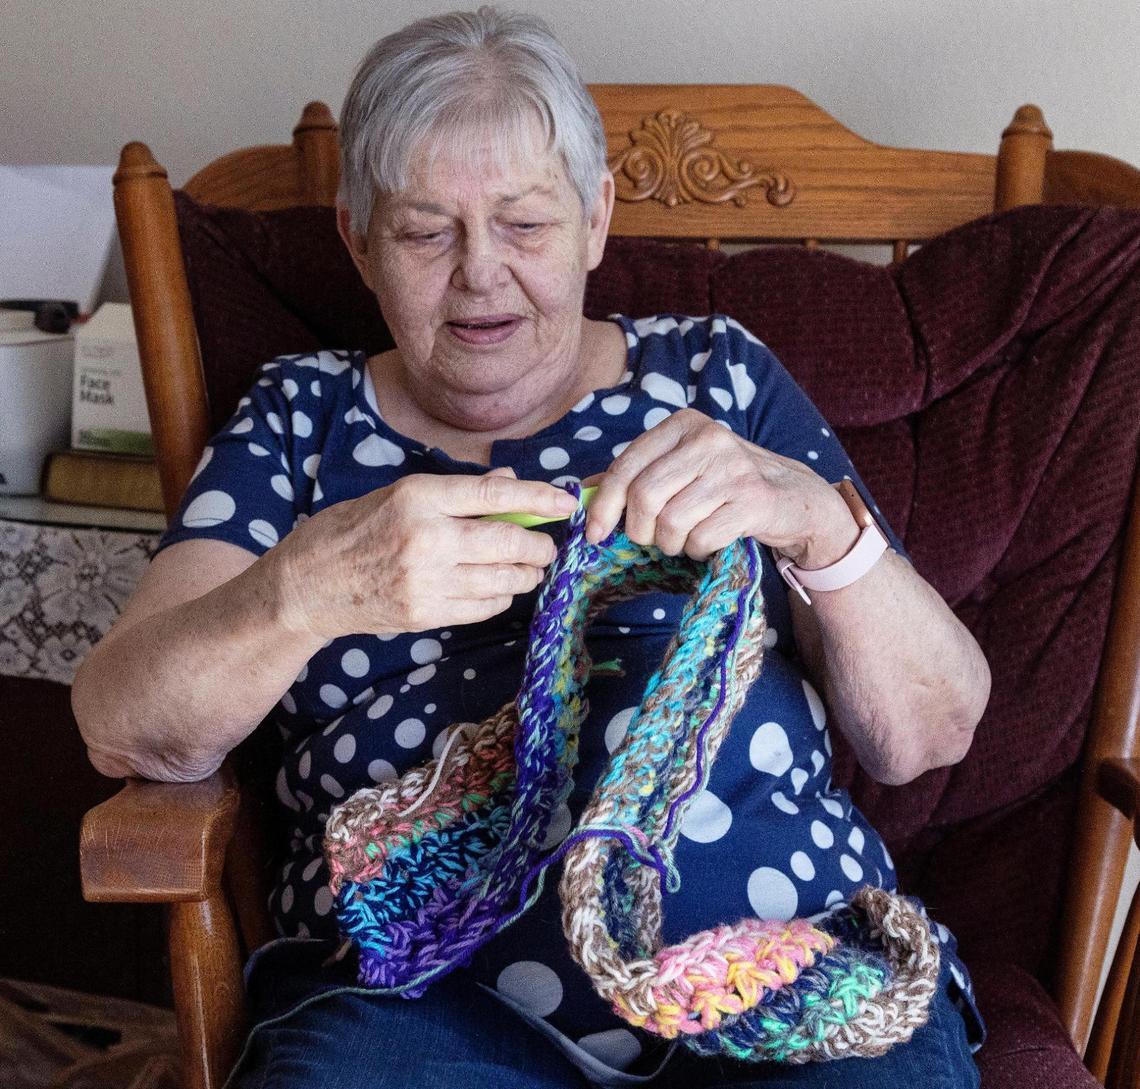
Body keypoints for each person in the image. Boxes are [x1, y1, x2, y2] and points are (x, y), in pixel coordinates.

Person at [73, 7, 992, 1087]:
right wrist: (305, 592)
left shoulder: (715, 379)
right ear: (355, 239)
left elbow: (930, 730)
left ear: (596, 219)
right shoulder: (301, 418)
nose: (479, 274)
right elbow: (122, 728)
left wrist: (815, 520)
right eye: (424, 231)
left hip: (783, 967)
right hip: (416, 1003)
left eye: (525, 225)